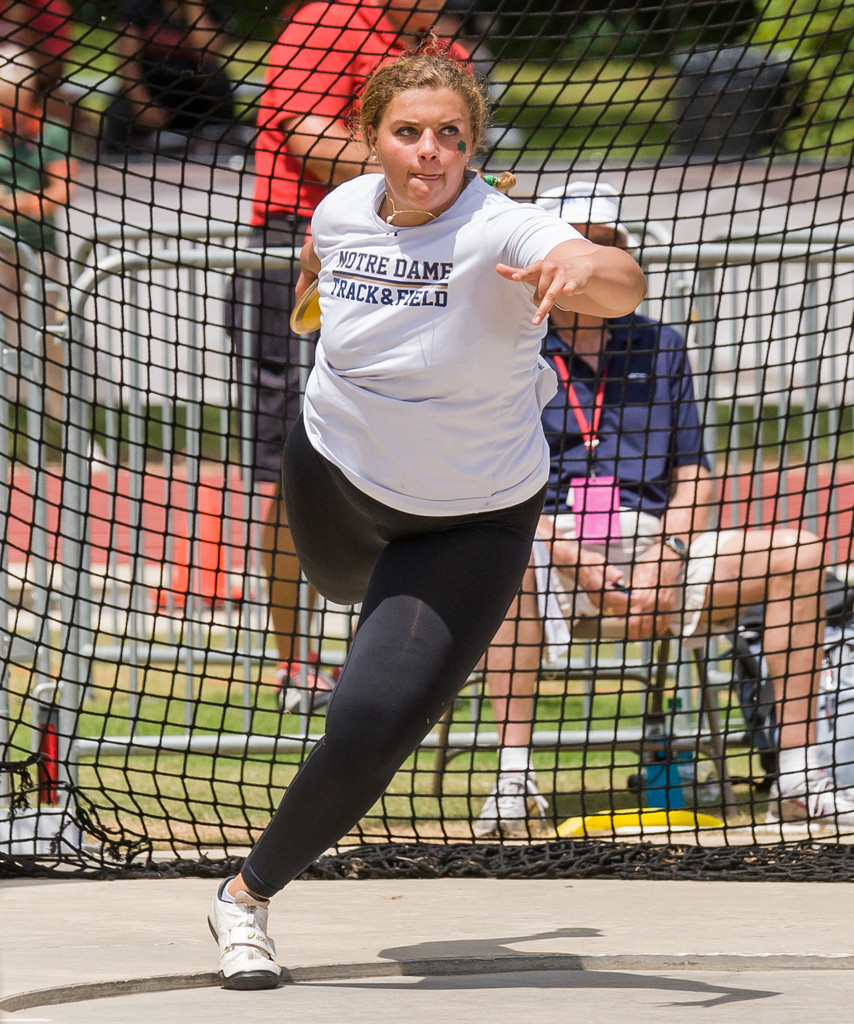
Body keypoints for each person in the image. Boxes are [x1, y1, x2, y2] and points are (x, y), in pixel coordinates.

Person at [207, 53, 646, 989]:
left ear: (473, 145)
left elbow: (617, 278)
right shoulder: (338, 210)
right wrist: (311, 295)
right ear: (374, 140)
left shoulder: (504, 229)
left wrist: (579, 266)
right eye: (410, 131)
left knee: (370, 719)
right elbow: (321, 264)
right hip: (334, 480)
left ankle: (243, 899)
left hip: (468, 521)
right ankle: (331, 622)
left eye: (451, 134)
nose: (431, 151)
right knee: (330, 584)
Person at [472, 180, 854, 839]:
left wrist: (667, 555)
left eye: (606, 244)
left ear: (624, 256)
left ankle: (798, 775)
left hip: (655, 543)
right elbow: (485, 480)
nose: (591, 256)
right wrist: (568, 553)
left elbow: (694, 475)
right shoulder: (507, 342)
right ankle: (513, 779)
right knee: (502, 560)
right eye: (579, 242)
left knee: (802, 553)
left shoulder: (662, 345)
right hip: (541, 540)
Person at [229, 0, 470, 712]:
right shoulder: (330, 18)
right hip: (300, 257)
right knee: (290, 464)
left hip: (407, 264)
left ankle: (389, 655)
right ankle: (295, 663)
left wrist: (446, 180)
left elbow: (457, 147)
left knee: (410, 461)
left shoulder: (434, 49)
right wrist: (421, 167)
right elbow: (305, 135)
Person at [0, 42, 75, 423]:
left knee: (49, 338)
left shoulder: (51, 131)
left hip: (39, 253)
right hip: (1, 254)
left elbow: (61, 192)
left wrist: (17, 204)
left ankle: (69, 433)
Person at [104, 0, 236, 156]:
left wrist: (193, 6)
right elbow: (127, 62)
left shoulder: (212, 6)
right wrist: (142, 105)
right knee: (120, 109)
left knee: (220, 87)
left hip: (197, 96)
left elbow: (206, 53)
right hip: (151, 91)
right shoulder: (139, 5)